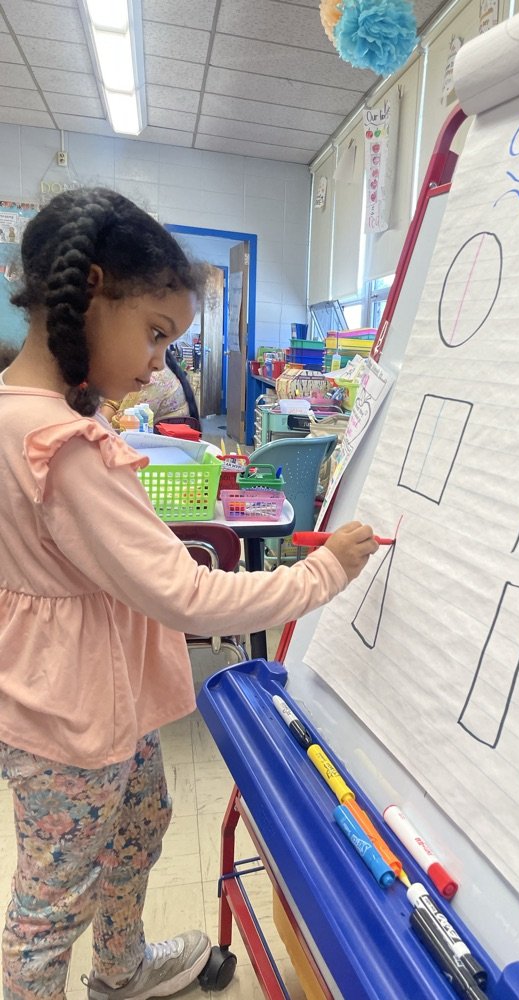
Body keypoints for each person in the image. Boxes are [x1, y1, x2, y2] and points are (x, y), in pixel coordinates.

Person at [0, 187, 377, 1000]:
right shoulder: (65, 447)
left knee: (140, 825)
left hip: (98, 694)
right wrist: (324, 572)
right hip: (68, 713)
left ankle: (122, 968)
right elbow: (188, 597)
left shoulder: (19, 413)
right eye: (156, 335)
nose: (155, 366)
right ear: (93, 290)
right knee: (47, 908)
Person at [101, 347, 199, 429]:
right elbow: (112, 403)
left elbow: (123, 424)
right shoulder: (133, 369)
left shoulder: (152, 377)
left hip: (162, 447)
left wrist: (95, 425)